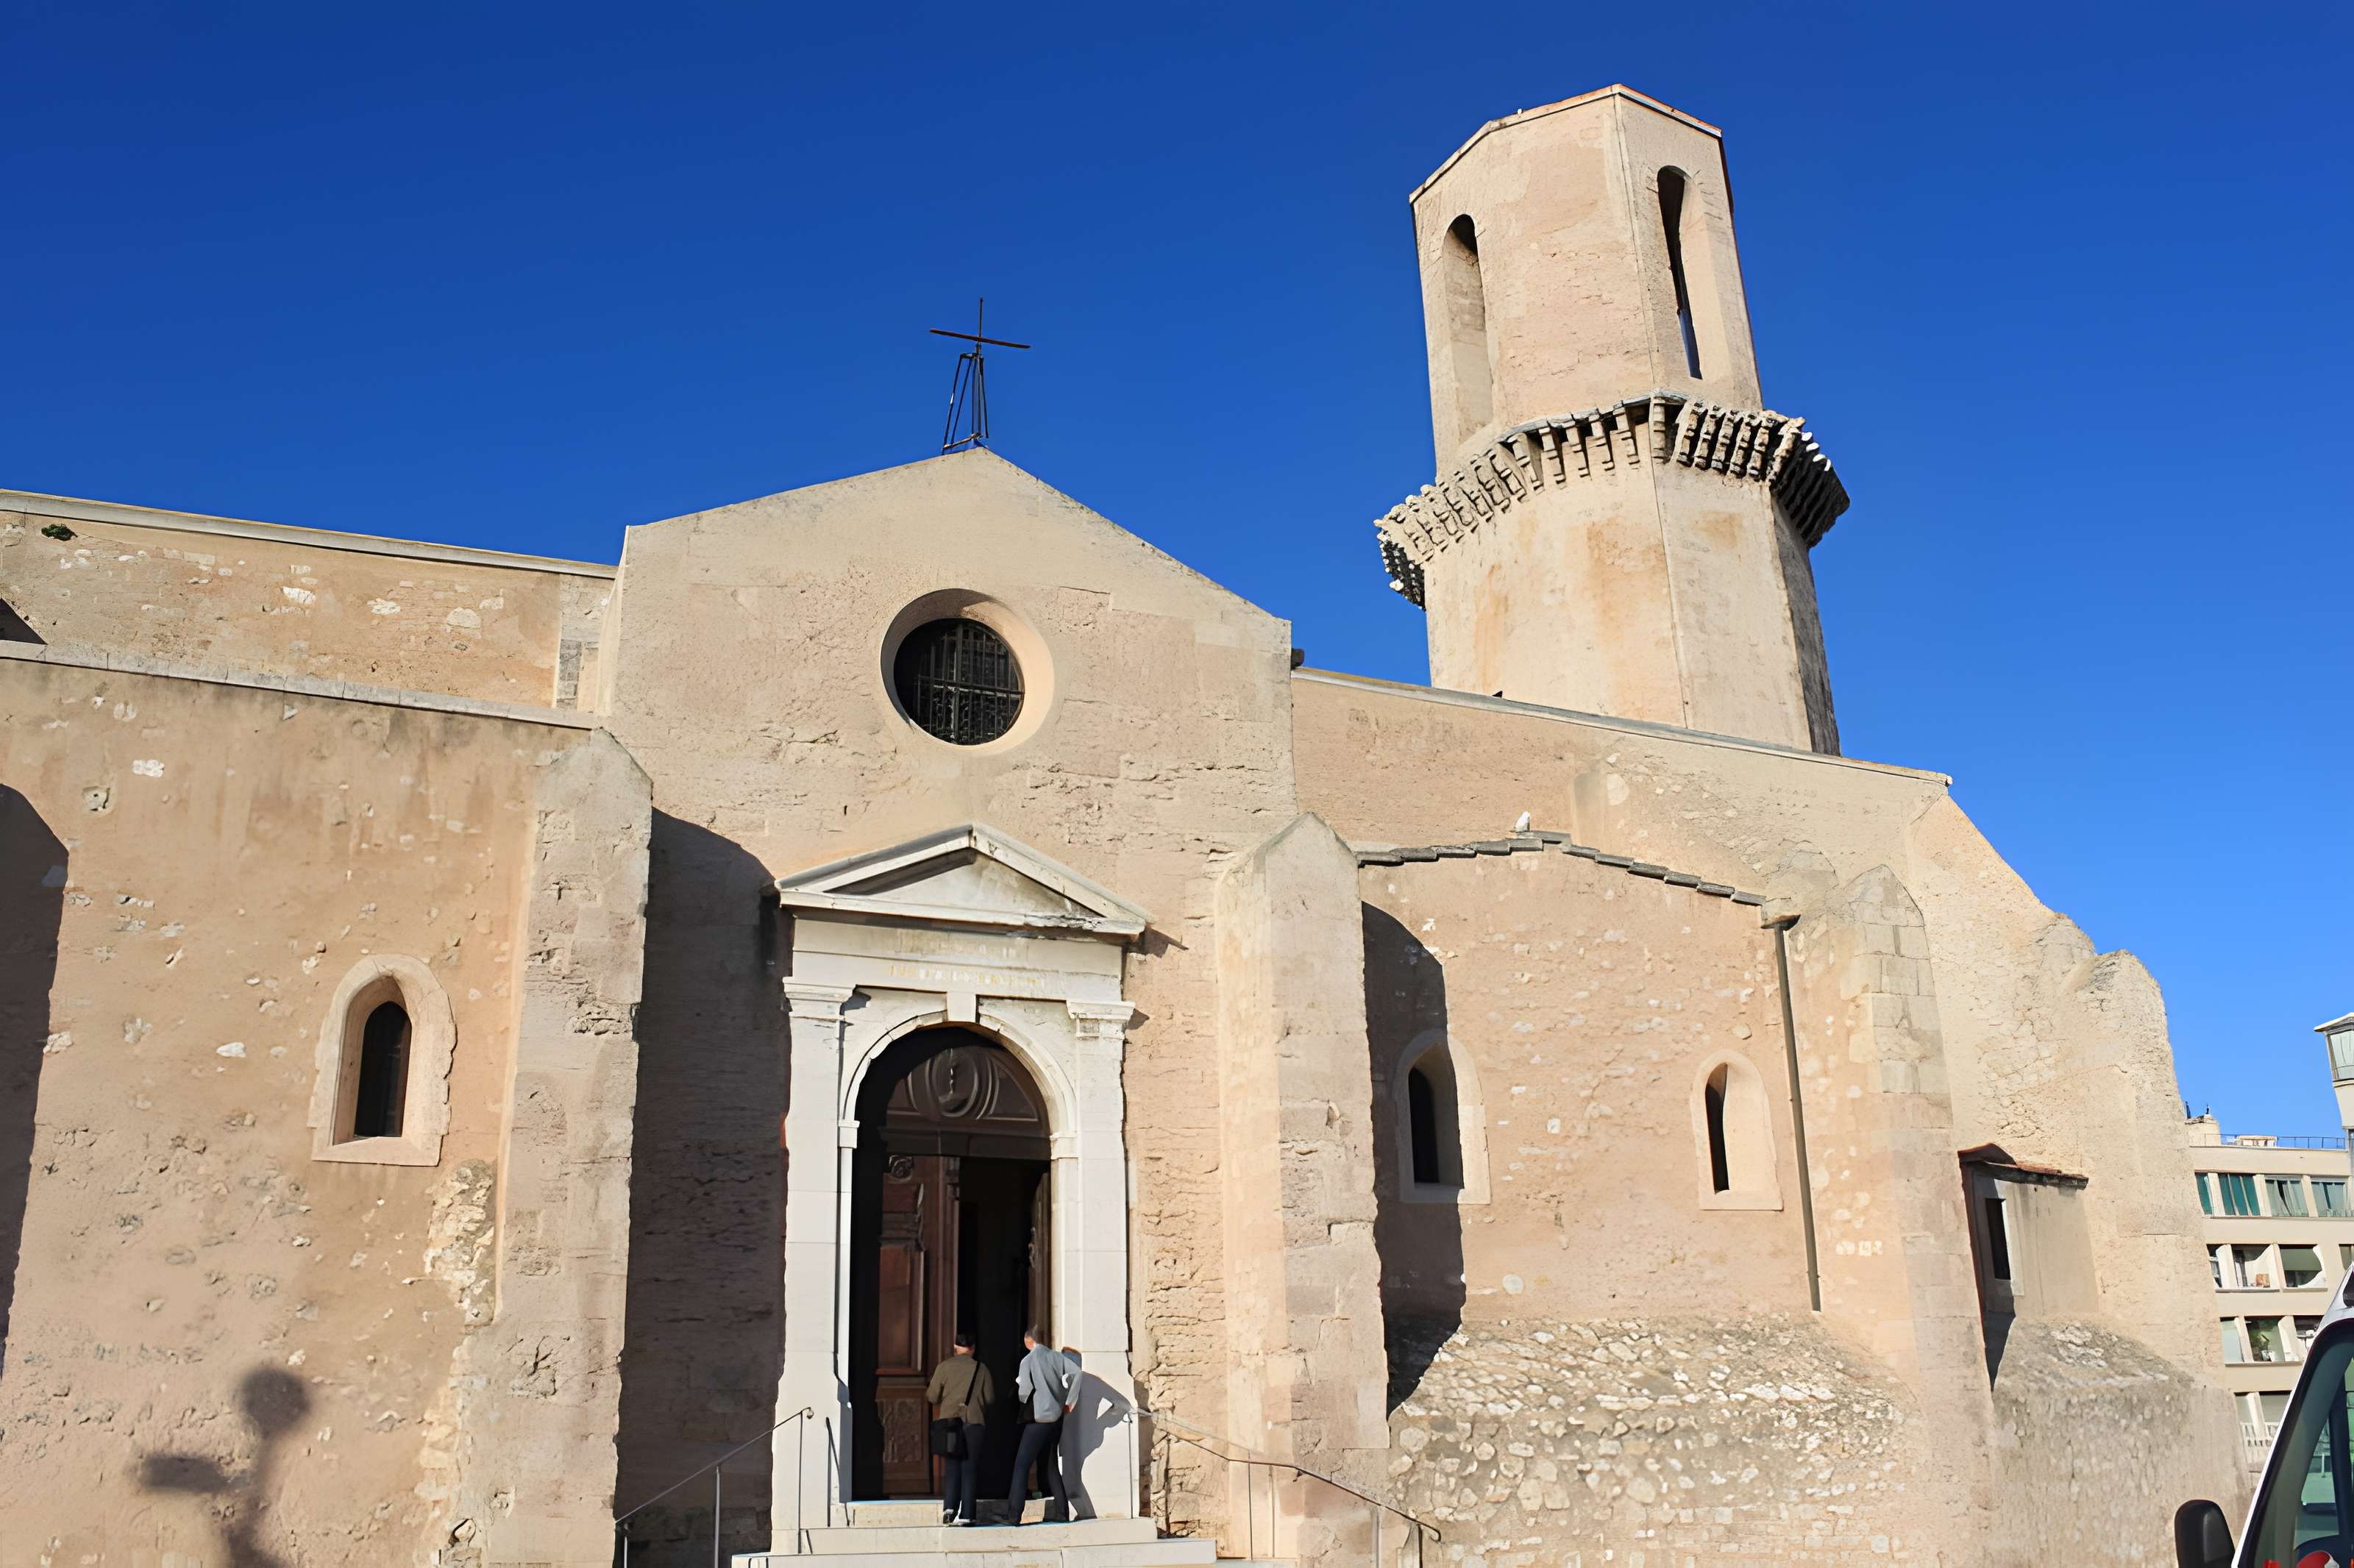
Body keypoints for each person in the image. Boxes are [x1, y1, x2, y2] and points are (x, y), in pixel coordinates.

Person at [1003, 1326, 1076, 1526]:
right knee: (1051, 1465)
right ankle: (1062, 1513)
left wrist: (1020, 1396)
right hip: (1056, 1419)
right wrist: (1070, 1401)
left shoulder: (1028, 1360)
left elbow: (1024, 1390)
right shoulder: (1056, 1358)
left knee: (1022, 1465)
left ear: (1029, 1340)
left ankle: (1014, 1514)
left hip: (1039, 1419)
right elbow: (1077, 1373)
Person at [925, 1330, 994, 1526]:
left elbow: (932, 1396)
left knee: (952, 1465)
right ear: (973, 1348)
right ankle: (968, 1515)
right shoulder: (982, 1369)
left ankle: (949, 1508)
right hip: (974, 1422)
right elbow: (990, 1398)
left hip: (949, 1423)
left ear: (955, 1347)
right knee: (970, 1468)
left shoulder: (944, 1367)